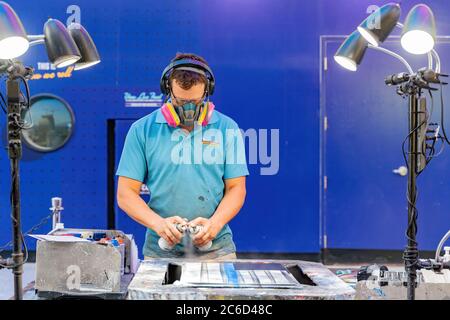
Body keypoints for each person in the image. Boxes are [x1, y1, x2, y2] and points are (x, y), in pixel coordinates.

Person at [116, 52, 249, 259]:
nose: (188, 110)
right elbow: (125, 194)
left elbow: (236, 189)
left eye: (195, 102)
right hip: (160, 251)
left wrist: (214, 225)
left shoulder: (227, 128)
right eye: (180, 101)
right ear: (168, 90)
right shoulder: (142, 130)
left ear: (208, 91)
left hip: (216, 250)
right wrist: (159, 224)